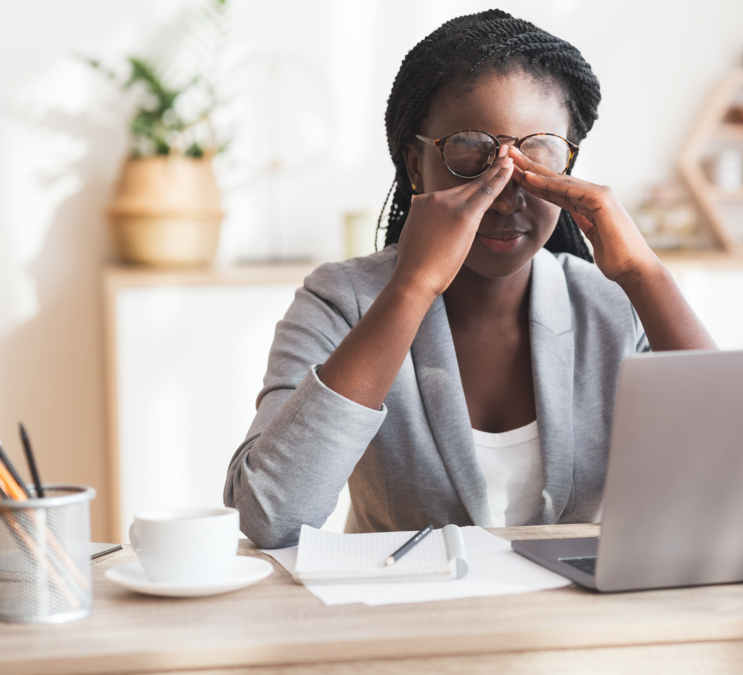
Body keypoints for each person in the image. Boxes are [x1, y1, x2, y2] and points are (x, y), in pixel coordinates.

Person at [224, 10, 715, 548]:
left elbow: (736, 476)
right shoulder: (341, 301)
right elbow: (268, 518)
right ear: (416, 166)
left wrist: (644, 275)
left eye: (539, 154)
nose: (506, 195)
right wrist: (412, 288)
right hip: (400, 620)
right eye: (470, 153)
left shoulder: (611, 305)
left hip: (573, 623)